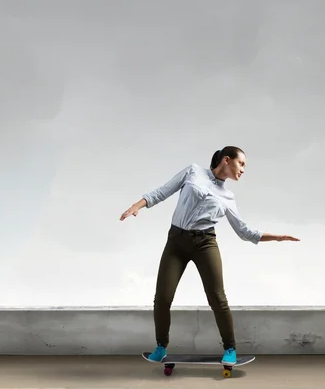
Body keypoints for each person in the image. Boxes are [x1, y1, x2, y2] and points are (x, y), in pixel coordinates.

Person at [119, 146, 300, 366]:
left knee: (217, 298)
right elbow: (162, 191)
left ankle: (230, 349)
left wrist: (277, 237)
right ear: (226, 160)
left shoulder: (228, 197)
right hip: (176, 242)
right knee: (162, 298)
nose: (243, 170)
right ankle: (161, 346)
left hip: (205, 244)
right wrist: (136, 206)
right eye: (241, 164)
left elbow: (245, 232)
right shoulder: (193, 171)